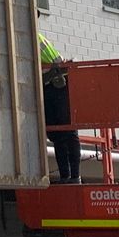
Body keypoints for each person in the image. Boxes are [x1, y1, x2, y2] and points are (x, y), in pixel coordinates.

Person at [40, 32, 82, 184]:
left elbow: (56, 61)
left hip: (57, 85)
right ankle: (67, 176)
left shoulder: (36, 38)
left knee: (67, 131)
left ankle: (73, 176)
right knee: (58, 134)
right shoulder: (33, 37)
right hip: (51, 86)